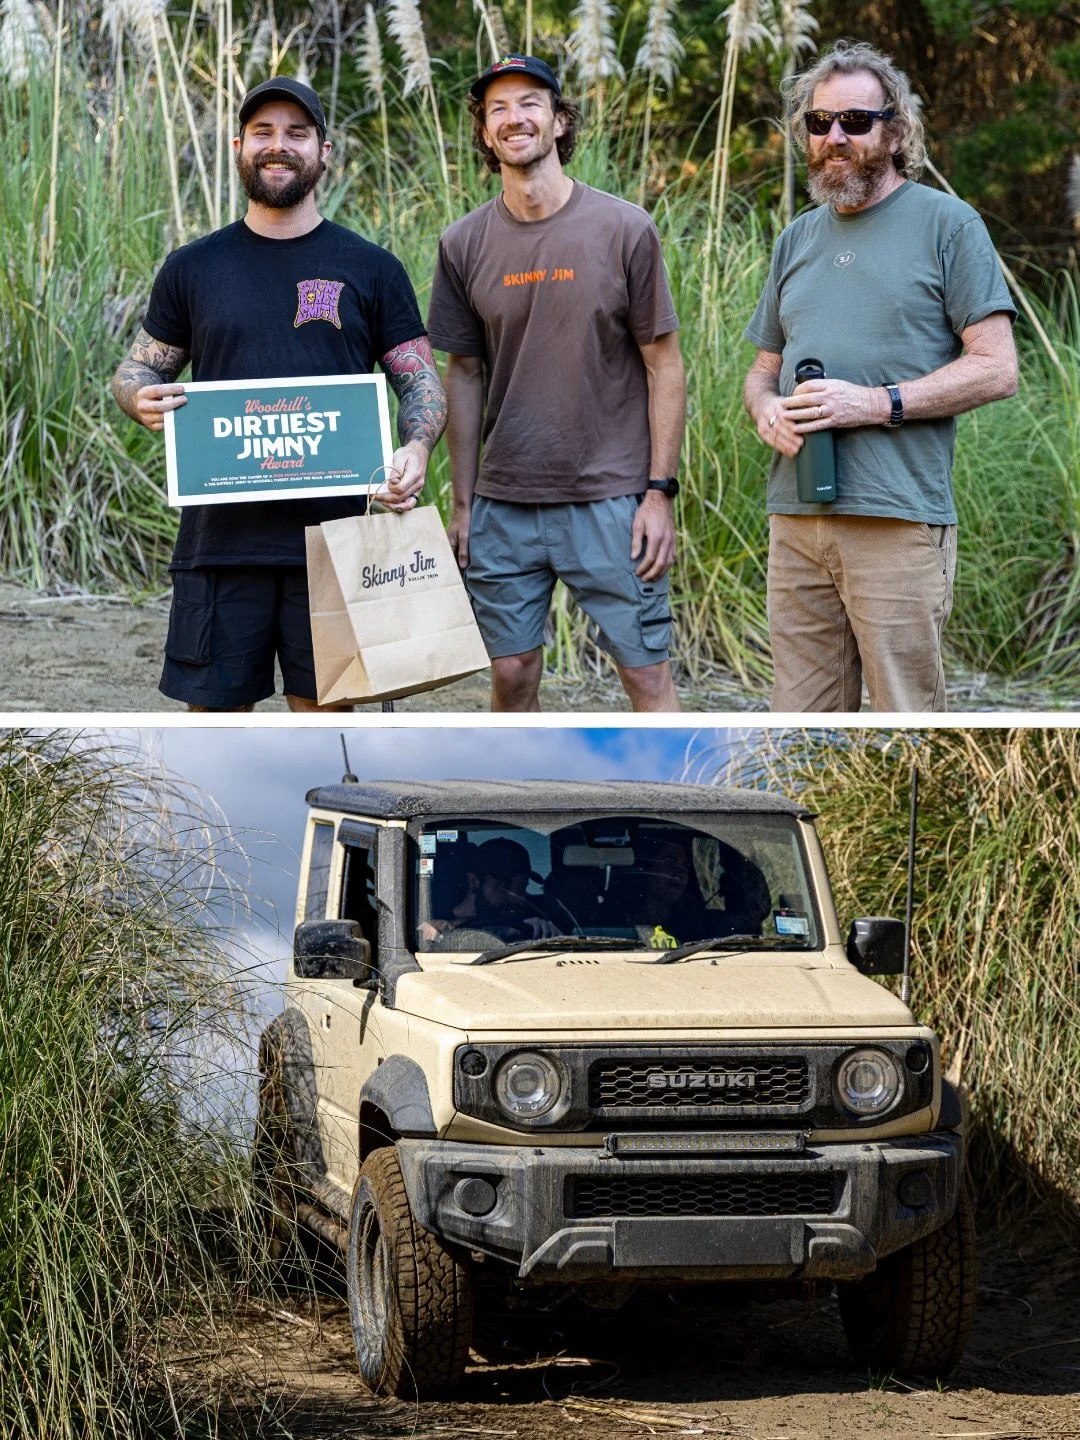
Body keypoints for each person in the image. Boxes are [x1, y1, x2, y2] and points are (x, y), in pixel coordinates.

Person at [111, 76, 447, 712]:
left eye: (297, 133)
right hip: (220, 540)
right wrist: (140, 397)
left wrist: (418, 447)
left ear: (324, 151)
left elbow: (418, 377)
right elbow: (136, 370)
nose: (278, 146)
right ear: (239, 146)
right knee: (215, 721)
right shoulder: (193, 266)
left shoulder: (371, 267)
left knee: (322, 717)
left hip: (336, 544)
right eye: (263, 132)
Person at [742, 40, 1018, 713]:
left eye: (856, 122)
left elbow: (997, 367)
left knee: (907, 718)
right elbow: (762, 369)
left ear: (894, 132)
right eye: (819, 123)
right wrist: (765, 411)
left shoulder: (948, 224)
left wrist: (875, 403)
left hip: (896, 519)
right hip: (796, 518)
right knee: (799, 725)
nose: (834, 138)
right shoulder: (796, 238)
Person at [426, 55, 686, 713]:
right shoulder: (462, 244)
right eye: (498, 109)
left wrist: (659, 494)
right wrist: (463, 504)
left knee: (645, 677)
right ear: (485, 134)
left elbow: (665, 366)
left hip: (611, 501)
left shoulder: (625, 229)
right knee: (510, 674)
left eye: (530, 103)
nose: (515, 118)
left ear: (559, 119)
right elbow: (463, 373)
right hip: (506, 501)